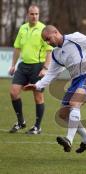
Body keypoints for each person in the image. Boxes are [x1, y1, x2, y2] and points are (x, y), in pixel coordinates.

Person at [23, 25, 86, 153]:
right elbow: (51, 74)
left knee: (74, 103)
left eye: (48, 39)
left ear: (56, 32)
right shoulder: (56, 54)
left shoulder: (74, 38)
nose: (48, 42)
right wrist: (37, 85)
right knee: (63, 114)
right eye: (45, 41)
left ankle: (68, 139)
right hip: (76, 81)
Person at [9, 5, 52, 134]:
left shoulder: (43, 30)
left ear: (39, 15)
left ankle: (37, 127)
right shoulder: (22, 28)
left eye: (37, 14)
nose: (34, 16)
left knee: (38, 97)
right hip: (23, 66)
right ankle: (21, 122)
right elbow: (17, 48)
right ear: (27, 14)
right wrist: (13, 65)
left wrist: (45, 68)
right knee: (13, 92)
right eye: (32, 14)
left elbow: (49, 51)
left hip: (37, 67)